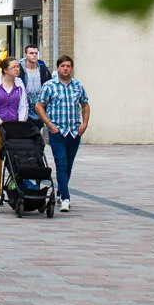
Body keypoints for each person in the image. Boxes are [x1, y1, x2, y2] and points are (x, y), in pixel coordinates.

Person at [36, 55, 89, 212]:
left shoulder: (78, 86)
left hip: (74, 132)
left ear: (71, 68)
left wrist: (85, 124)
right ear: (58, 68)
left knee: (68, 165)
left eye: (68, 66)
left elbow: (85, 105)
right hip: (57, 132)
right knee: (61, 164)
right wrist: (50, 125)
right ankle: (66, 198)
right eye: (63, 66)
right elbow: (39, 106)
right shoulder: (49, 86)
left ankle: (60, 192)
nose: (65, 69)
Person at [0, 53, 28, 206]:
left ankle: (15, 189)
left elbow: (23, 105)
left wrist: (21, 121)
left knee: (16, 161)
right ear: (5, 70)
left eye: (18, 66)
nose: (17, 69)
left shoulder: (19, 84)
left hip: (13, 129)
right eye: (14, 67)